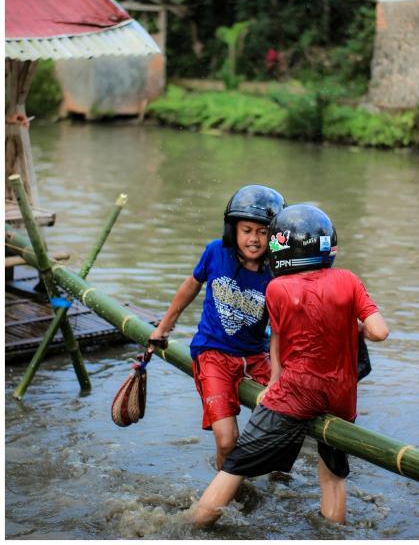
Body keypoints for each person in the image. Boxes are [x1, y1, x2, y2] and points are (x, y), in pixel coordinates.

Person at [192, 203, 389, 527]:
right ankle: (333, 533)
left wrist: (273, 386)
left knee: (234, 466)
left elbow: (278, 342)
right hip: (342, 397)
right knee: (334, 476)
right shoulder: (349, 280)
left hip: (295, 393)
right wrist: (356, 328)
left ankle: (191, 529)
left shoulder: (277, 287)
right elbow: (380, 332)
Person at [147, 184, 286, 470]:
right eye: (247, 230)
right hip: (213, 355)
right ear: (232, 229)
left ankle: (275, 473)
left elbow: (279, 330)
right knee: (226, 441)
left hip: (256, 356)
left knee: (285, 416)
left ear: (274, 238)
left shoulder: (277, 274)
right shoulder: (215, 251)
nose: (254, 239)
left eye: (262, 232)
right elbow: (191, 285)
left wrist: (276, 378)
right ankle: (226, 492)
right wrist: (163, 327)